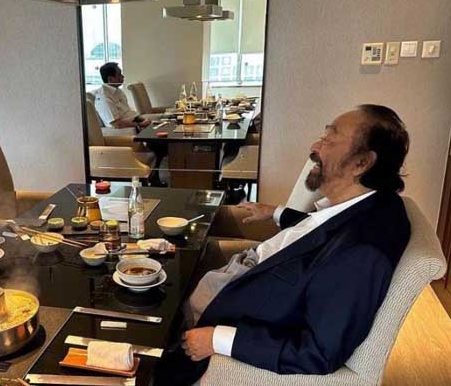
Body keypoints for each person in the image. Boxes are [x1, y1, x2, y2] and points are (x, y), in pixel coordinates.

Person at [157, 104, 411, 384]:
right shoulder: (367, 206)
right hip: (248, 274)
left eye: (329, 139)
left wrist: (216, 339)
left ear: (361, 163)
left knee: (163, 285)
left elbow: (319, 352)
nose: (315, 147)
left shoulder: (361, 253)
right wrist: (277, 213)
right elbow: (320, 235)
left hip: (229, 311)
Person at [93, 62, 156, 130]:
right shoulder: (104, 97)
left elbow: (129, 113)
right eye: (119, 74)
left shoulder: (118, 91)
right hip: (127, 130)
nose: (123, 76)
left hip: (135, 122)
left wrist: (144, 119)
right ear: (110, 79)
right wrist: (140, 124)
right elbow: (117, 124)